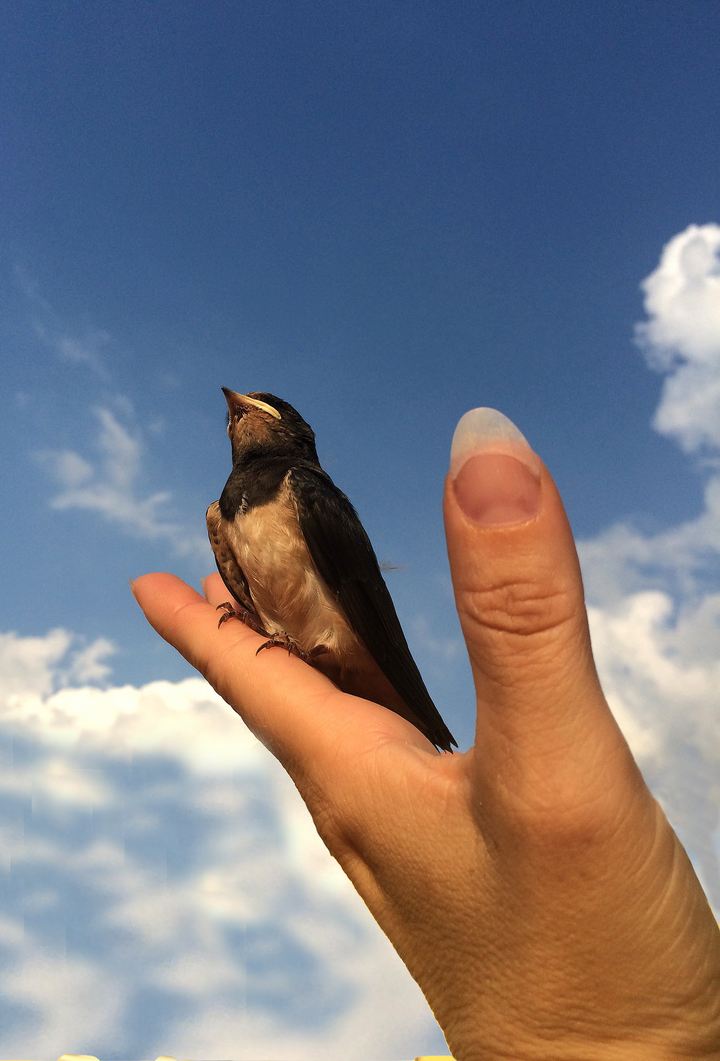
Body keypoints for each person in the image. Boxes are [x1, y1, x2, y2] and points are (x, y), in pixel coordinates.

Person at [131, 408, 720, 1059]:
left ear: (293, 435)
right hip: (295, 644)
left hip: (350, 638)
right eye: (236, 417)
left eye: (260, 413)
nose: (241, 417)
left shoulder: (304, 487)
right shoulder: (222, 514)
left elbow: (361, 602)